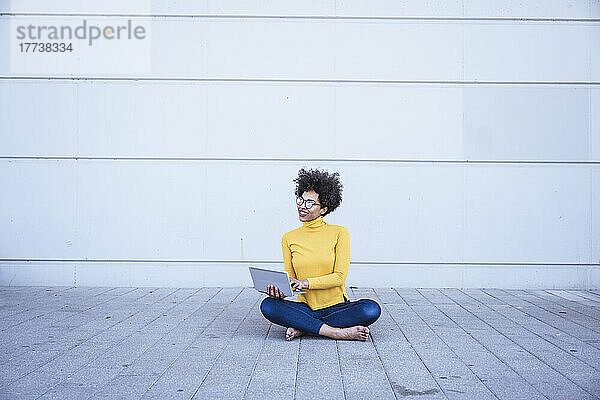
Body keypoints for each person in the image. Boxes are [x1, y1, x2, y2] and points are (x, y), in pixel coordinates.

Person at [260, 167, 381, 341]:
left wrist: (306, 283)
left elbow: (339, 277)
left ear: (323, 208)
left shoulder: (339, 233)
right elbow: (291, 283)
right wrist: (279, 292)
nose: (302, 206)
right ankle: (335, 332)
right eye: (300, 199)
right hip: (306, 307)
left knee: (370, 309)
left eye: (310, 203)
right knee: (269, 306)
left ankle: (305, 327)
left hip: (337, 307)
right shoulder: (288, 238)